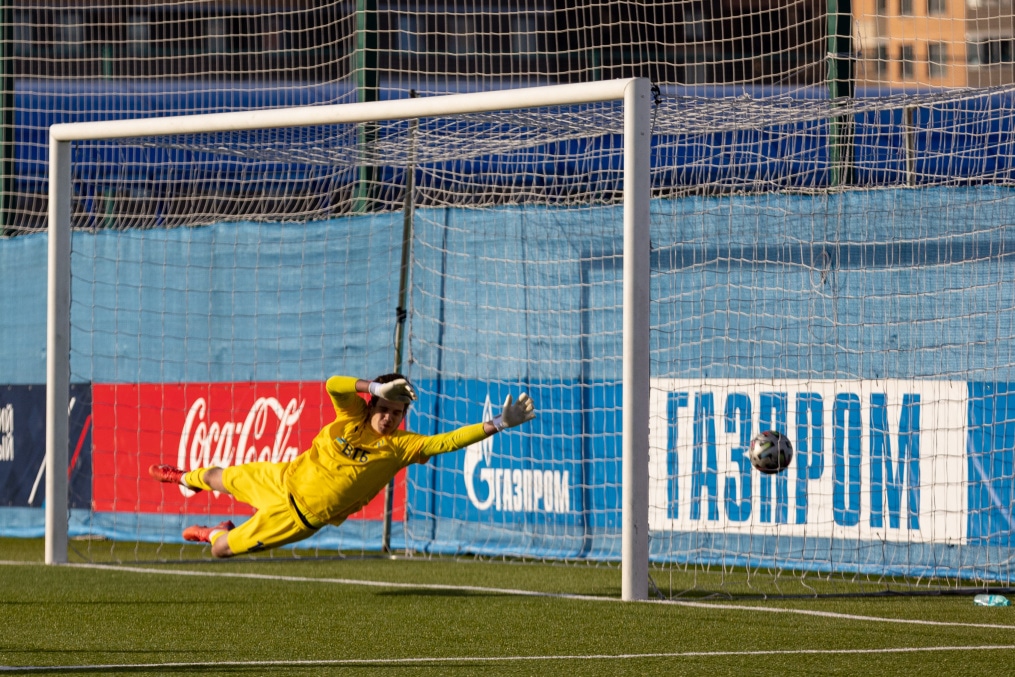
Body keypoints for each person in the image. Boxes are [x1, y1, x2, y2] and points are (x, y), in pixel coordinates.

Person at [148, 373, 535, 558]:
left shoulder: (401, 446)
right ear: (373, 405)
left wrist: (499, 423)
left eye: (397, 413)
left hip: (298, 517)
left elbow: (448, 441)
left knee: (221, 553)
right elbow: (335, 384)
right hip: (283, 478)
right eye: (385, 409)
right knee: (223, 476)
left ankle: (215, 532)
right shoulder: (351, 415)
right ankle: (185, 477)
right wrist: (371, 387)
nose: (390, 418)